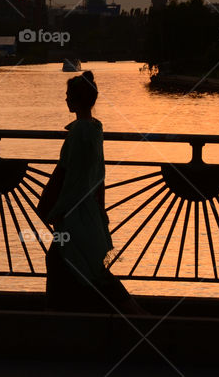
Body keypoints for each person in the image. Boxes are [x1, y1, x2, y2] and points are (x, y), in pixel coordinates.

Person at [37, 71, 146, 315]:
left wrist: (55, 208)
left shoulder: (78, 133)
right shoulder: (95, 129)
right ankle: (60, 314)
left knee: (75, 264)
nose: (65, 100)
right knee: (78, 263)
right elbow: (96, 174)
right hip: (88, 209)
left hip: (76, 211)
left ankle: (54, 317)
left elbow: (69, 175)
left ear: (76, 100)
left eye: (68, 96)